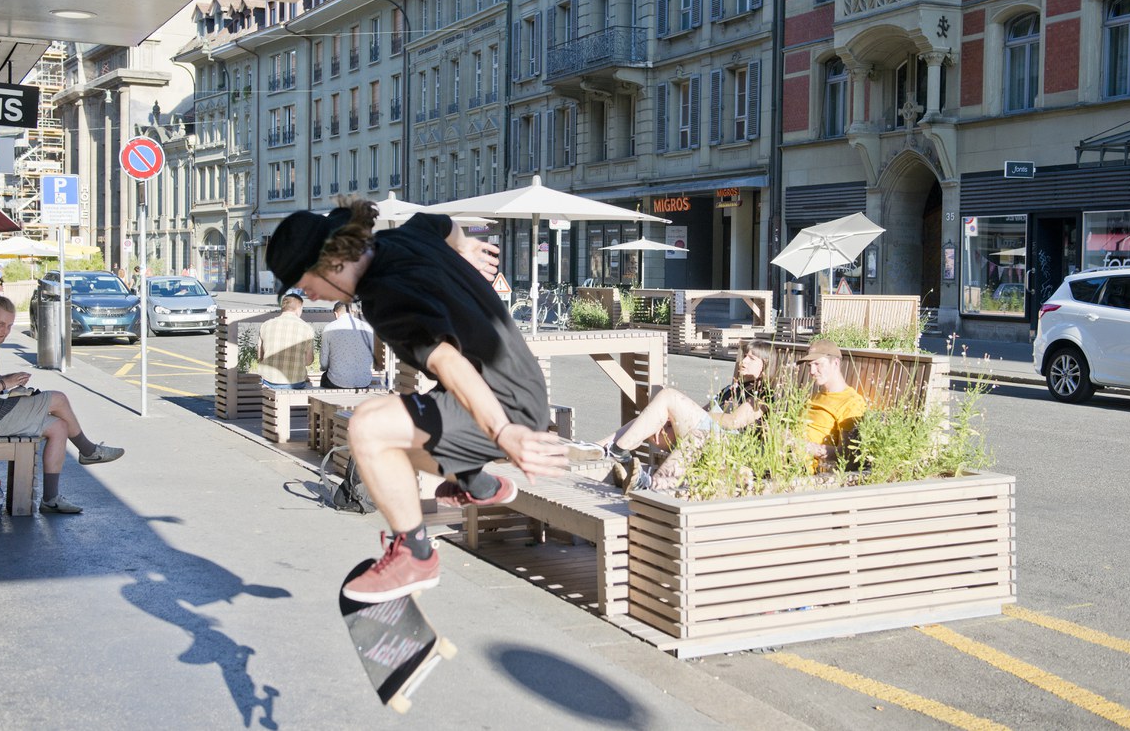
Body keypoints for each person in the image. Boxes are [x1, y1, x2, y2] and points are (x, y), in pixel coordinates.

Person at [266, 198, 567, 603]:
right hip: (517, 387)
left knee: (368, 425)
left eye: (308, 285)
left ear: (333, 262)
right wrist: (464, 247)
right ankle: (476, 483)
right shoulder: (406, 236)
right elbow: (442, 224)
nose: (313, 297)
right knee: (391, 447)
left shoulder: (384, 296)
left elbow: (447, 360)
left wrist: (504, 430)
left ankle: (415, 554)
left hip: (499, 404)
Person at [0, 294, 124, 514]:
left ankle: (50, 499)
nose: (4, 331)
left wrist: (9, 386)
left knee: (59, 427)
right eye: (0, 324)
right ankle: (88, 450)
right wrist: (4, 383)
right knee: (58, 399)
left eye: (9, 326)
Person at [599, 340, 774, 492]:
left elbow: (735, 421)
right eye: (744, 356)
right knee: (650, 418)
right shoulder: (731, 390)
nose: (743, 361)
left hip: (727, 446)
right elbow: (701, 411)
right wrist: (668, 418)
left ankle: (620, 453)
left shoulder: (764, 394)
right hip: (706, 435)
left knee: (669, 396)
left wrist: (694, 415)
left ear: (765, 364)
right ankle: (601, 448)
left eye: (751, 358)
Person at [796, 338, 867, 470]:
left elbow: (847, 455)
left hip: (811, 475)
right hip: (787, 461)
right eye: (809, 365)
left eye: (817, 364)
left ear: (835, 363)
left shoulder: (851, 402)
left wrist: (804, 446)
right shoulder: (814, 396)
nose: (811, 371)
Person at [256, 290, 315, 390]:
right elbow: (308, 361)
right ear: (299, 308)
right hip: (295, 383)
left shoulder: (265, 325)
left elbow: (260, 357)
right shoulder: (307, 328)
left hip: (268, 382)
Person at [320, 301, 376, 389]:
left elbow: (323, 364)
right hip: (364, 381)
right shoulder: (367, 327)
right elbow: (371, 357)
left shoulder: (329, 328)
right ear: (352, 312)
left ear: (336, 314)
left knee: (324, 377)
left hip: (338, 382)